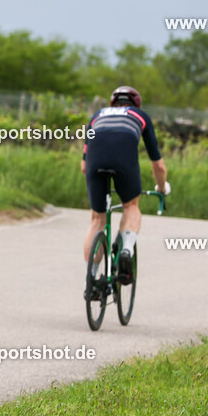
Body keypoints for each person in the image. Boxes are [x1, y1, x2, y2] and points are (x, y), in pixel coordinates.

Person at [82, 86, 169, 287]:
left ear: (112, 103)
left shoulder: (97, 115)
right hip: (123, 162)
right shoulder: (140, 116)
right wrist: (162, 188)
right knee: (131, 206)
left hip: (95, 163)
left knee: (97, 219)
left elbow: (84, 165)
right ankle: (126, 250)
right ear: (136, 104)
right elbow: (158, 165)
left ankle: (91, 279)